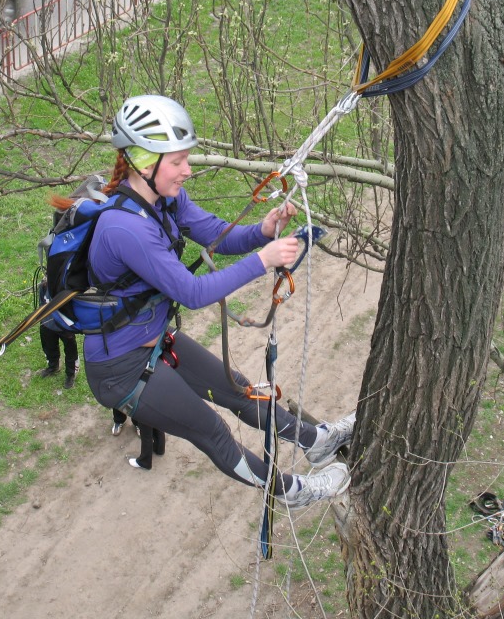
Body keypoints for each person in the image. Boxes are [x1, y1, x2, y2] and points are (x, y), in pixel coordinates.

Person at [76, 94, 354, 509]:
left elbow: (216, 236)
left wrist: (262, 231)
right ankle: (294, 493)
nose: (187, 170)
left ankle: (316, 442)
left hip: (154, 344)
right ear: (143, 162)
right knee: (213, 433)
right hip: (121, 369)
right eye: (177, 161)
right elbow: (191, 293)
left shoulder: (165, 200)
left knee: (239, 391)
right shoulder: (125, 229)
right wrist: (264, 260)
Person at [37, 323, 81, 390]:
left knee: (70, 348)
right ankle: (54, 366)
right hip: (47, 319)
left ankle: (71, 374)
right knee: (48, 344)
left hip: (65, 320)